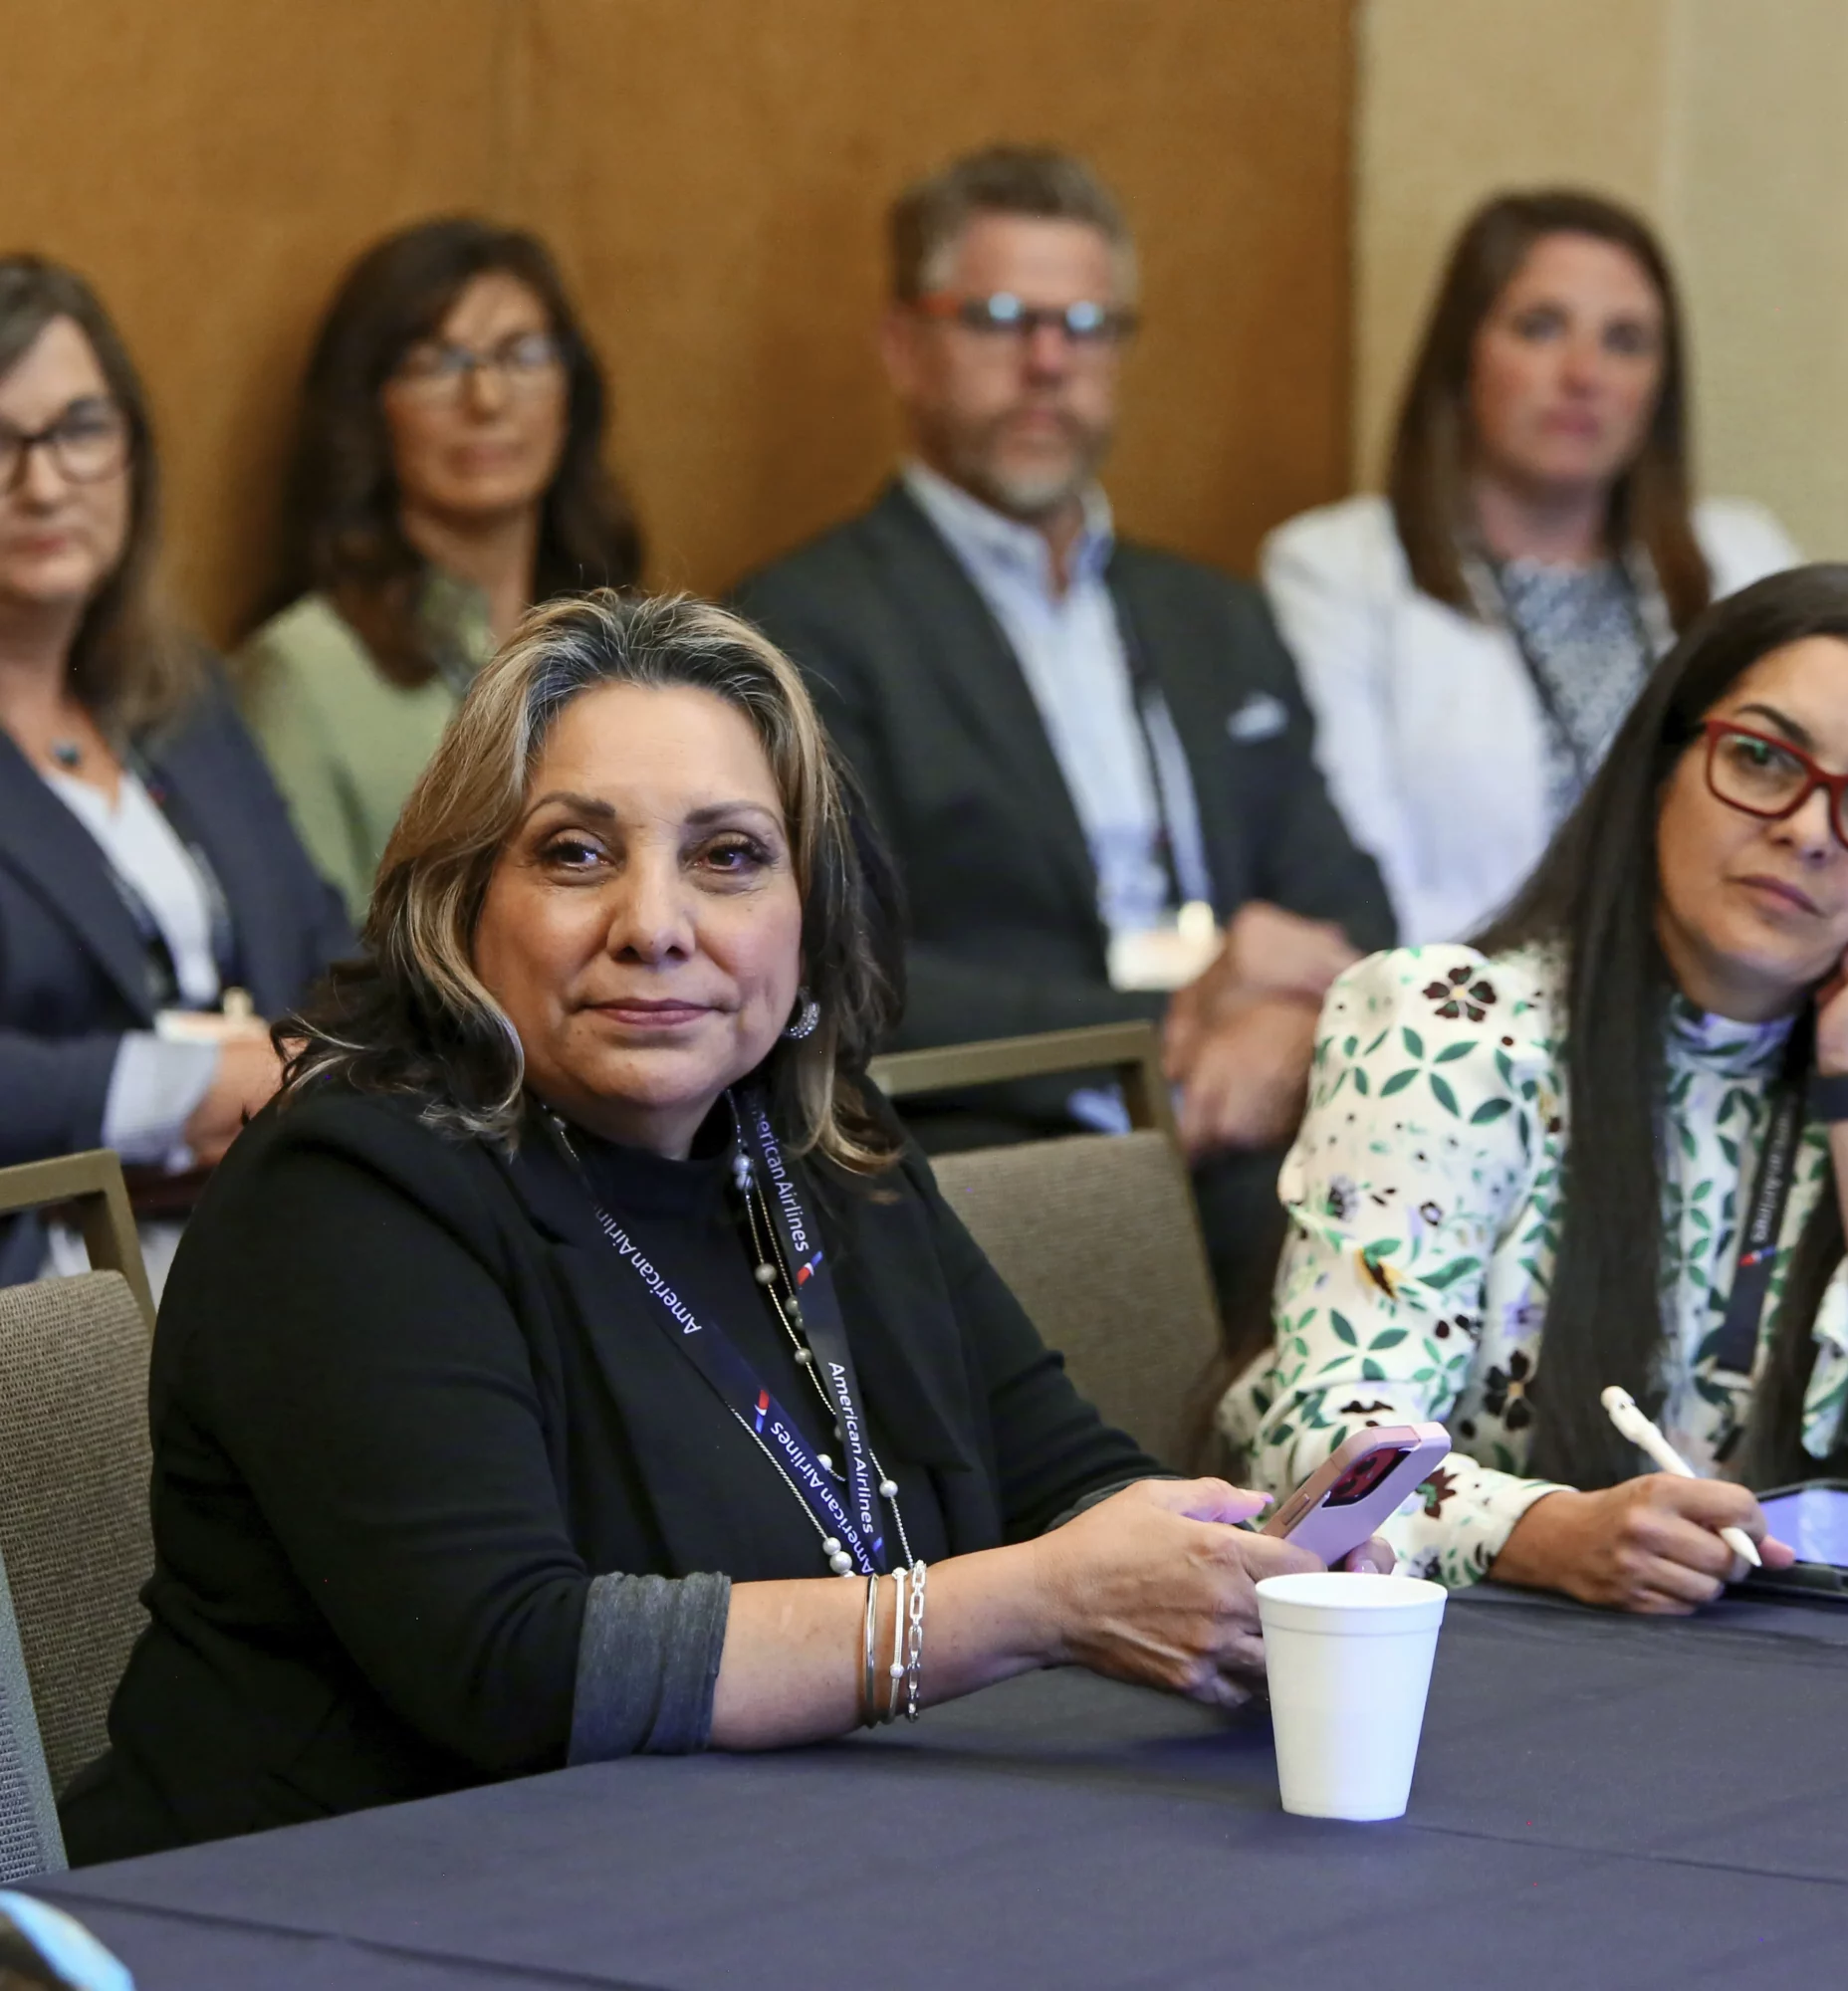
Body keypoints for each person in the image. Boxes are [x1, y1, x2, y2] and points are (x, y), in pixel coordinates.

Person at [61, 591, 1380, 1863]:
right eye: (576, 854)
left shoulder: (822, 1143)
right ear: (462, 903)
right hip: (329, 1910)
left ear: (810, 913)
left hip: (764, 1869)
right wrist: (1034, 1604)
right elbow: (519, 1668)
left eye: (729, 858)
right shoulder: (350, 1190)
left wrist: (1234, 1551)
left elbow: (1056, 1474)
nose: (656, 927)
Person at [1224, 563, 1848, 1613]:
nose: (1809, 830)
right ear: (1659, 765)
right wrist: (1548, 1531)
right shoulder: (1445, 1024)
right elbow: (1322, 1450)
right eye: (1762, 758)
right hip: (1452, 1661)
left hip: (1765, 1670)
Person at [735, 146, 1396, 1319]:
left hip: (1261, 1117)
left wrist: (1290, 1021)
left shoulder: (1213, 618)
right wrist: (1175, 1025)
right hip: (1006, 1132)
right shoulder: (805, 625)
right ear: (904, 346)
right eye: (1000, 319)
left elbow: (1348, 901)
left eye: (1086, 326)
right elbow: (837, 963)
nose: (1048, 364)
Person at [1265, 188, 1800, 947]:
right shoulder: (1336, 571)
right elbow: (1358, 875)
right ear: (1462, 357)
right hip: (1461, 1013)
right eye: (1541, 328)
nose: (1585, 374)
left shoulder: (1745, 559)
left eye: (1625, 341)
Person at [0, 257, 348, 1289]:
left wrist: (305, 1079)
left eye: (79, 429)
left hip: (267, 1228)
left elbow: (327, 946)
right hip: (49, 1290)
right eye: (2, 443)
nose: (46, 481)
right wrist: (189, 1088)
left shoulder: (182, 697)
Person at [237, 217, 642, 923]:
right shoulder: (303, 668)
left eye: (520, 355)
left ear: (571, 393)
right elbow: (309, 963)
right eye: (435, 365)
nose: (485, 400)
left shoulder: (625, 635)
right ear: (367, 409)